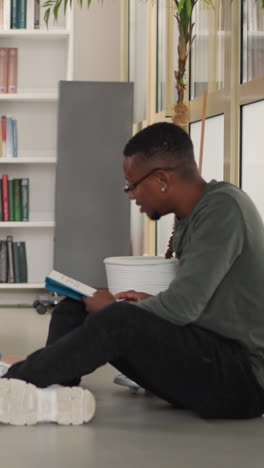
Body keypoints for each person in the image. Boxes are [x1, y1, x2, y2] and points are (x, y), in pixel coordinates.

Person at [1, 122, 264, 426]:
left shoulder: (223, 209)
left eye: (132, 184)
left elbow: (182, 308)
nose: (130, 195)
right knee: (79, 303)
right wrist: (141, 301)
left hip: (242, 380)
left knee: (117, 319)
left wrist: (117, 309)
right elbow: (207, 301)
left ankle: (15, 382)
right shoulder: (193, 214)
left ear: (162, 179)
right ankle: (53, 390)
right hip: (211, 353)